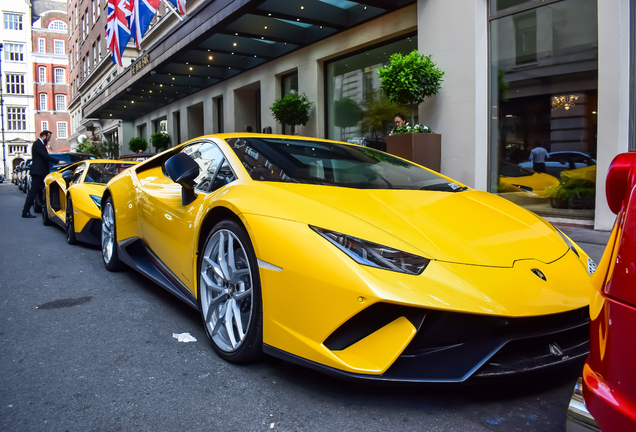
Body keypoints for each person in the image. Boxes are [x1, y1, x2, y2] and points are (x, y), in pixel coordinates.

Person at [22, 130, 65, 218]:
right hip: (38, 172)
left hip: (40, 172)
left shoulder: (39, 144)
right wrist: (58, 161)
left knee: (41, 191)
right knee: (33, 192)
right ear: (44, 136)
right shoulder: (38, 144)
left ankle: (44, 209)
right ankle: (25, 211)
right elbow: (45, 156)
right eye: (48, 138)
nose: (49, 140)